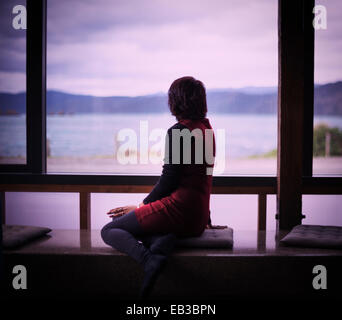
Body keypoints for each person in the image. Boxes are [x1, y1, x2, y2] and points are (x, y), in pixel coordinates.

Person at [101, 76, 218, 298]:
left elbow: (168, 181)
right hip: (198, 217)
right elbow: (203, 177)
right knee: (141, 227)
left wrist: (140, 206)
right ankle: (162, 241)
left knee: (111, 229)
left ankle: (150, 261)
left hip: (180, 210)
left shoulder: (179, 131)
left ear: (175, 101)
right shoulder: (207, 129)